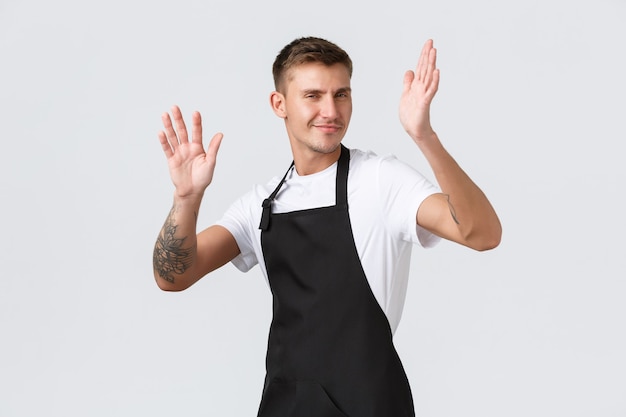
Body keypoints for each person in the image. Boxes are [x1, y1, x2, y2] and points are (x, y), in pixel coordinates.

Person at [153, 37, 501, 417]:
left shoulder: (380, 181)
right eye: (313, 96)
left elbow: (481, 234)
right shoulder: (261, 203)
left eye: (341, 94)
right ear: (279, 104)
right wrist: (186, 200)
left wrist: (424, 136)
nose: (330, 111)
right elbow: (175, 277)